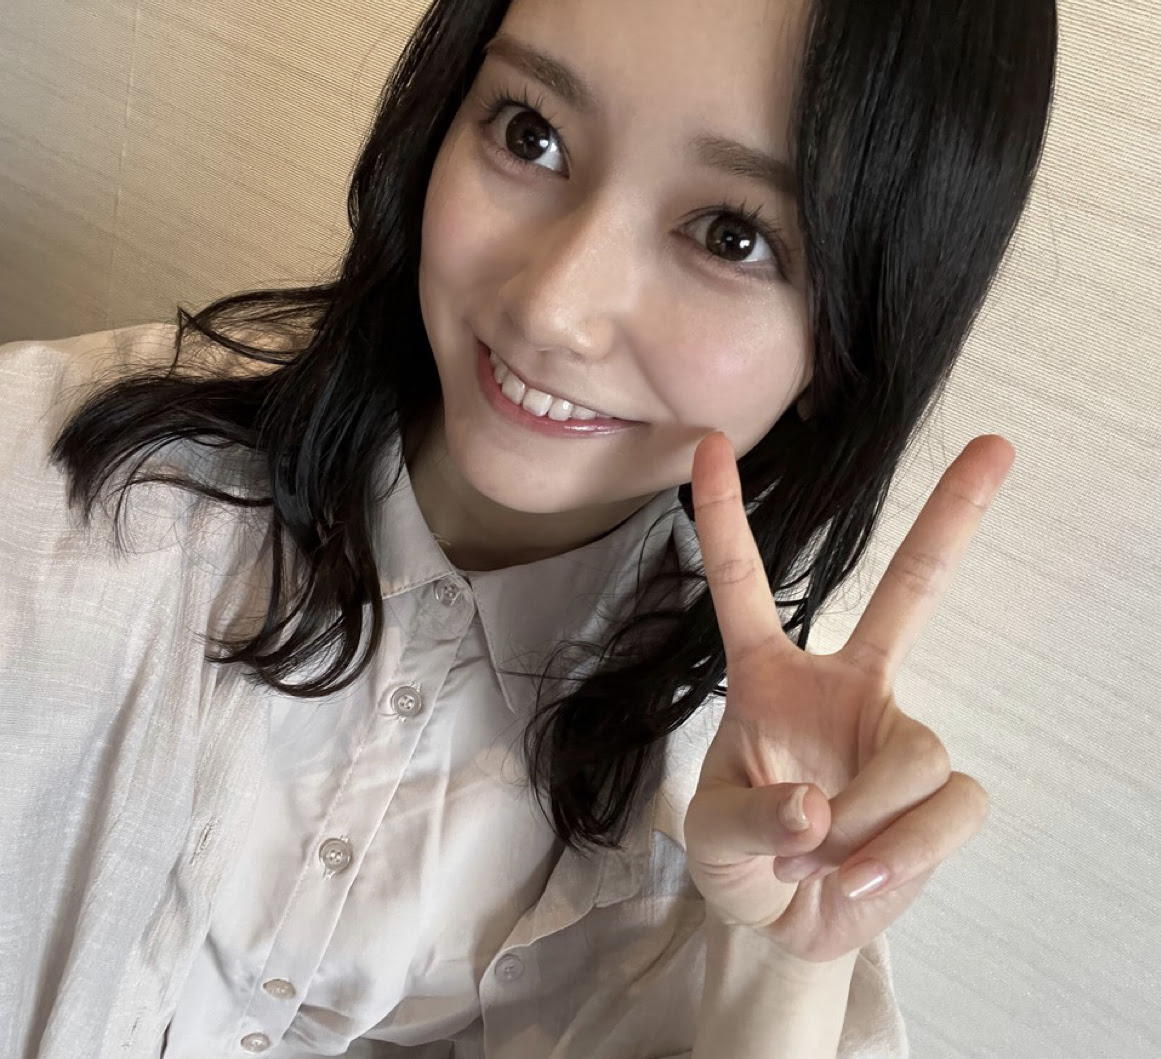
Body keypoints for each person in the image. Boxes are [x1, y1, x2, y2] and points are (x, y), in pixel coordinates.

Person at [0, 0, 1057, 1055]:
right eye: (529, 133)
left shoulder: (751, 778)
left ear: (852, 334)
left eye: (730, 236)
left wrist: (780, 967)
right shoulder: (60, 484)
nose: (553, 306)